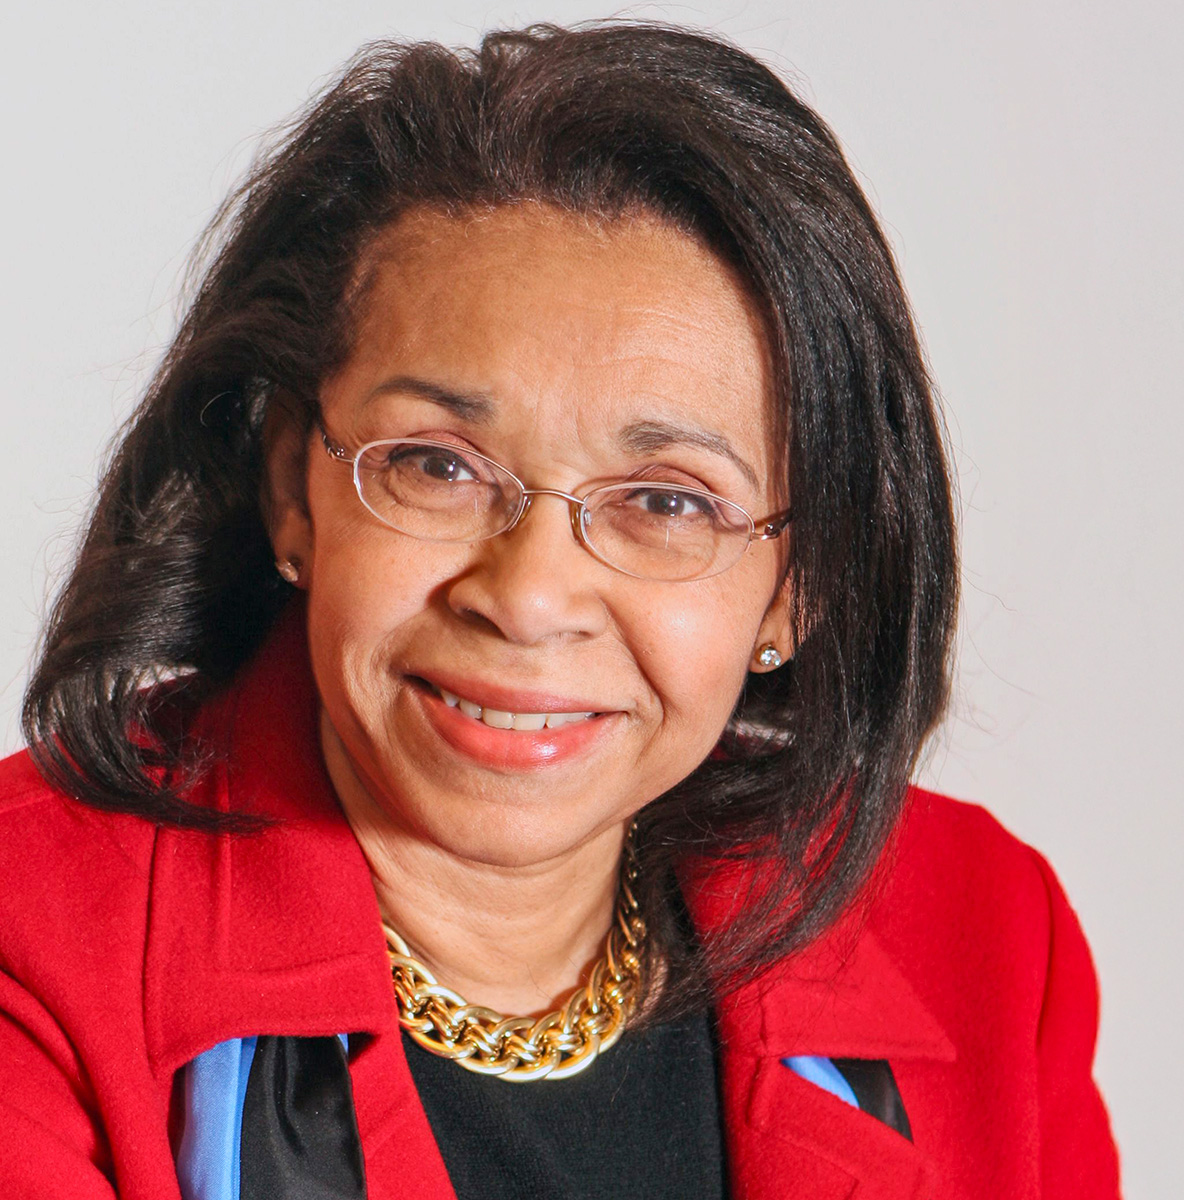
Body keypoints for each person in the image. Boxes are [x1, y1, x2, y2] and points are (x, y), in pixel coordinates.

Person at [0, 21, 1119, 1200]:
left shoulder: (985, 940)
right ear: (295, 488)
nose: (528, 597)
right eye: (437, 465)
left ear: (801, 583)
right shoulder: (32, 944)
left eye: (665, 500)